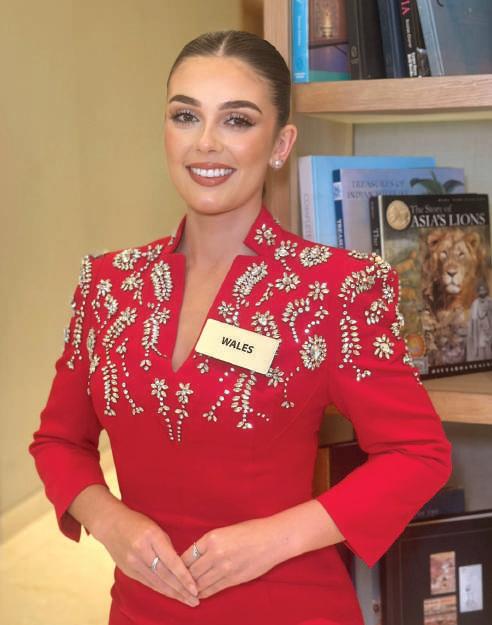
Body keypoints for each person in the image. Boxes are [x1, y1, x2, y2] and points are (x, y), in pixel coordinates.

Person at [29, 30, 452, 625]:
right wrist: (110, 521)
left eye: (237, 120)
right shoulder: (108, 285)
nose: (206, 142)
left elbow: (417, 454)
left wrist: (271, 540)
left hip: (289, 605)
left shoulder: (335, 288)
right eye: (185, 116)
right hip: (142, 609)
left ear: (280, 144)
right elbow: (57, 442)